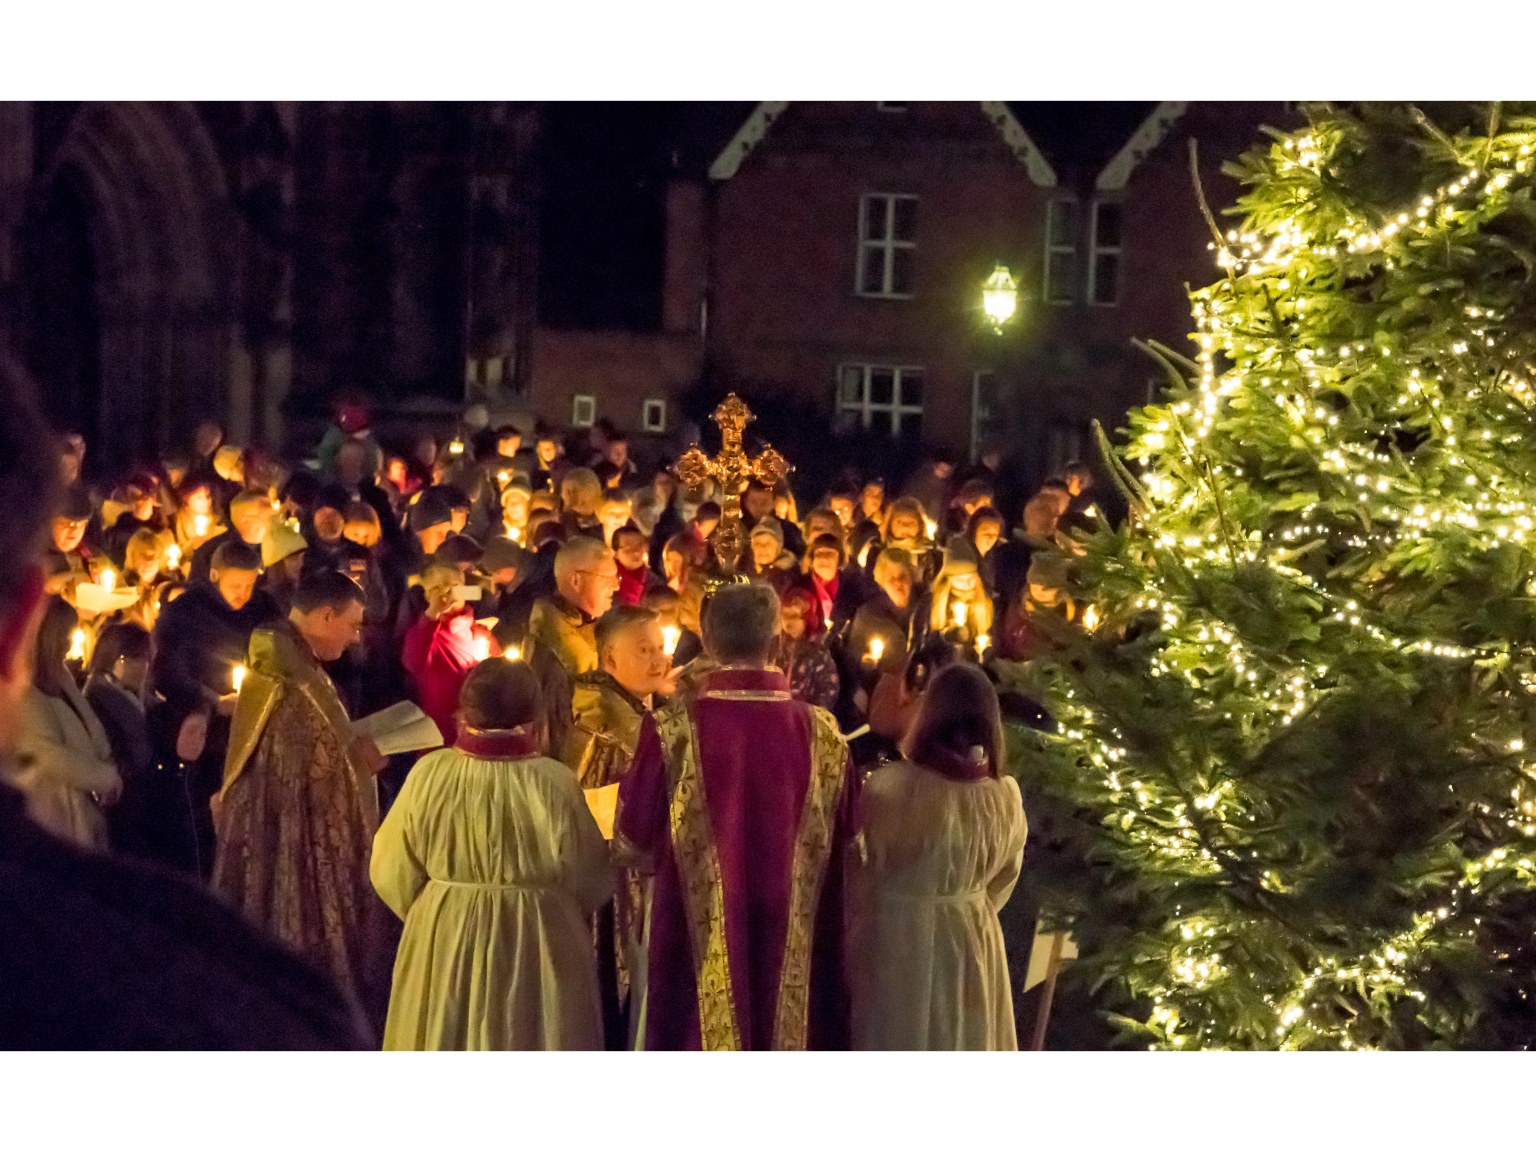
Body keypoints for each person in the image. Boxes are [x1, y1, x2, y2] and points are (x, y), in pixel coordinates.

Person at [615, 581, 855, 1050]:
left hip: (694, 941)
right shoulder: (824, 733)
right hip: (797, 932)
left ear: (706, 639)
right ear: (777, 641)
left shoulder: (671, 729)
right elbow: (851, 835)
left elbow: (632, 843)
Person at [371, 657, 610, 1050]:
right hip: (538, 937)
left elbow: (389, 868)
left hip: (445, 932)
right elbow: (590, 876)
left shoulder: (429, 773)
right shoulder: (556, 782)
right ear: (536, 717)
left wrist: (439, 909)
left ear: (464, 713)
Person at [212, 569, 392, 1024]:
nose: (354, 639)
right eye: (351, 625)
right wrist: (360, 763)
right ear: (326, 615)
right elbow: (308, 767)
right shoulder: (294, 680)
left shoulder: (288, 660)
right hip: (300, 839)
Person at [849, 664, 1026, 1050]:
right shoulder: (1004, 797)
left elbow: (860, 872)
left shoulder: (890, 789)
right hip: (972, 939)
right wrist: (963, 908)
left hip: (898, 939)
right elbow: (1005, 876)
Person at [564, 604, 674, 1045]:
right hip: (613, 888)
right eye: (644, 650)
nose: (658, 659)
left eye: (661, 648)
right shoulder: (600, 724)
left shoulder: (636, 711)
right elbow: (585, 807)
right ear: (609, 660)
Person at [8, 596, 121, 851]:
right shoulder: (22, 688)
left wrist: (107, 762)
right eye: (65, 635)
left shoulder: (61, 675)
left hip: (83, 802)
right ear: (47, 636)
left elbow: (87, 721)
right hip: (52, 810)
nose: (70, 643)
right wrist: (104, 778)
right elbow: (47, 754)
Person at [525, 535, 617, 764]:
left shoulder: (586, 628)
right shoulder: (555, 651)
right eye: (607, 577)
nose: (616, 586)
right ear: (576, 580)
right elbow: (555, 734)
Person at [402, 560, 499, 747]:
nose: (446, 593)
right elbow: (414, 662)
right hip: (439, 731)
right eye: (438, 588)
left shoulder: (479, 632)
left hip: (476, 727)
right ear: (428, 595)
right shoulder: (425, 633)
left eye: (453, 586)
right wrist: (431, 615)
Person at [84, 622, 154, 849]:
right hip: (121, 807)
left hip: (135, 803)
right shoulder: (98, 700)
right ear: (113, 658)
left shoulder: (134, 696)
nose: (142, 668)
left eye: (145, 660)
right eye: (134, 659)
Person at [772, 587, 840, 713]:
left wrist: (813, 715)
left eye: (793, 616)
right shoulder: (775, 648)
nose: (787, 622)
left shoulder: (818, 654)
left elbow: (828, 689)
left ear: (808, 619)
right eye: (784, 616)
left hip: (802, 718)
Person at [189, 489, 273, 584]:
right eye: (269, 519)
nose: (274, 524)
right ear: (246, 521)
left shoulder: (273, 549)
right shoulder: (207, 554)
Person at [613, 523, 664, 607]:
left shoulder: (655, 583)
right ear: (616, 553)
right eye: (628, 549)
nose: (636, 552)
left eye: (639, 546)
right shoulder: (608, 582)